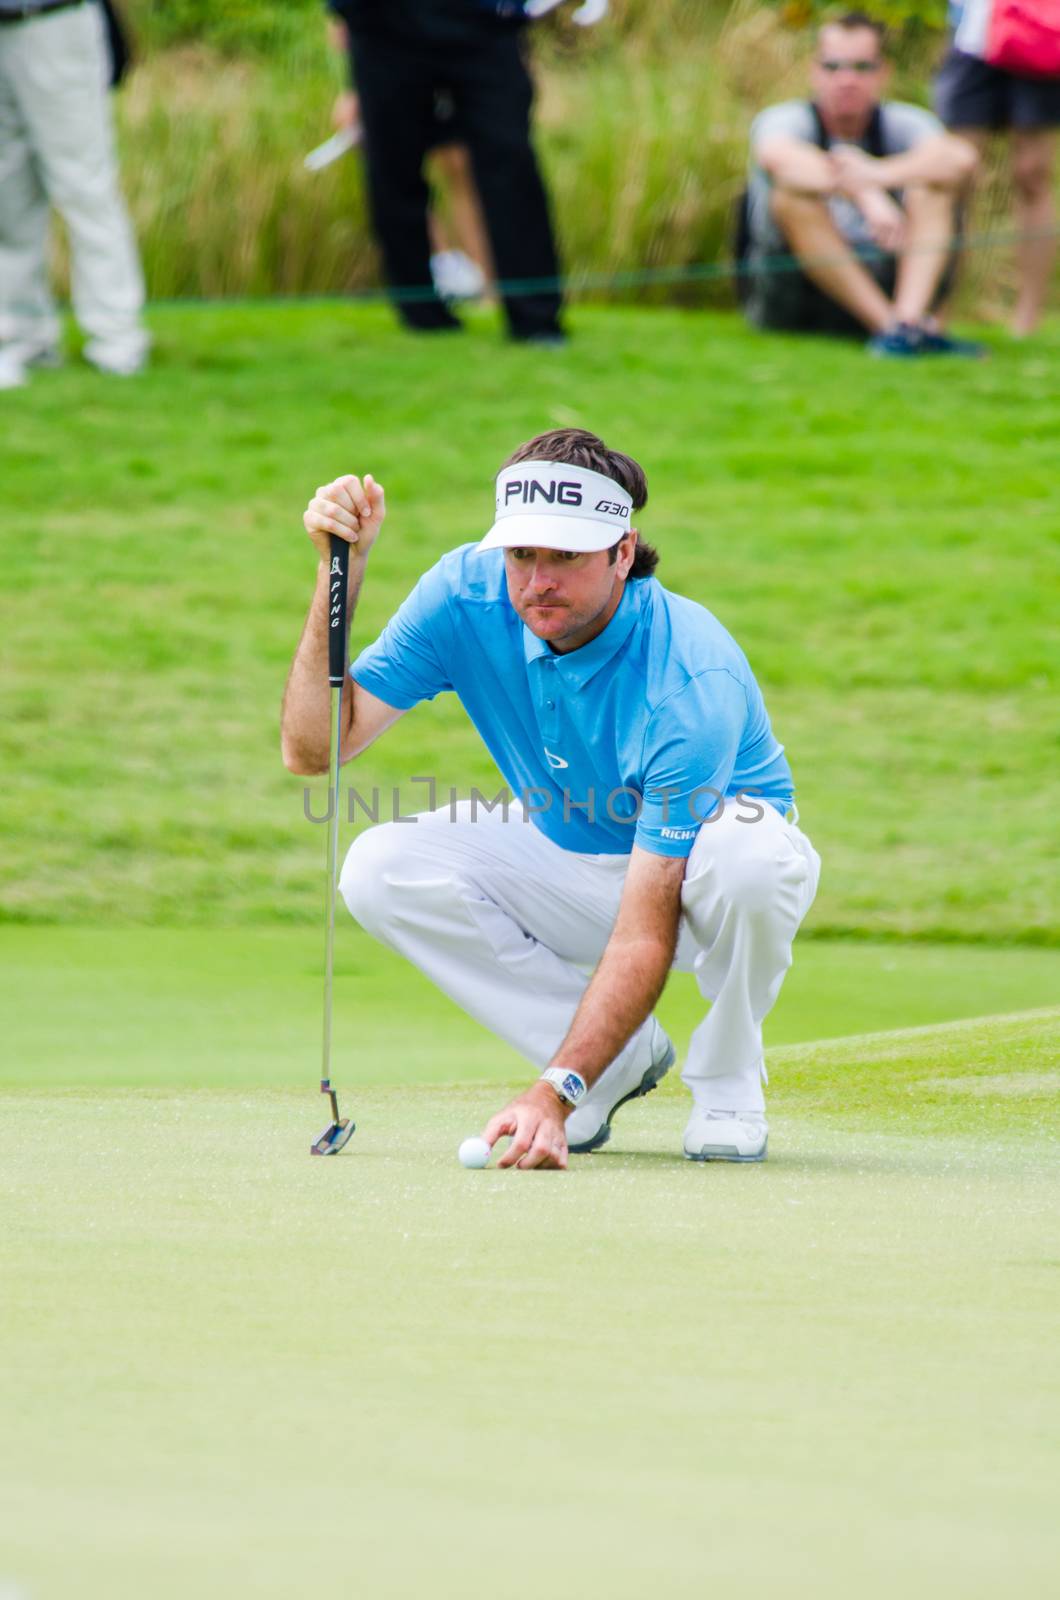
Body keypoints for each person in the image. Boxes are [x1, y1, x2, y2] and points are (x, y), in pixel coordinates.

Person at [281, 429, 821, 1171]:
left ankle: (727, 1084)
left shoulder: (689, 678)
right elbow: (314, 750)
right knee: (378, 867)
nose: (538, 581)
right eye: (522, 554)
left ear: (622, 553)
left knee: (749, 856)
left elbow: (644, 932)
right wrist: (340, 573)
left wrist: (553, 1093)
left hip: (702, 884)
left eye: (565, 557)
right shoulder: (463, 594)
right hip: (574, 853)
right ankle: (619, 1060)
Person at [324, 0, 564, 343]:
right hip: (386, 28)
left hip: (482, 22)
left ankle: (536, 318)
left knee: (510, 163)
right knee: (393, 167)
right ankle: (421, 312)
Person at [744, 10, 980, 354]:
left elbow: (961, 158)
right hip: (796, 299)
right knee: (791, 195)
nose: (847, 80)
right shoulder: (786, 120)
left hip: (887, 277)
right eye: (833, 67)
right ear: (814, 71)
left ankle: (907, 323)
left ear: (883, 73)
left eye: (862, 67)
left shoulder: (904, 122)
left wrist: (878, 174)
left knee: (934, 186)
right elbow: (778, 159)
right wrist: (865, 193)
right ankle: (891, 328)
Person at [0, 0, 149, 389]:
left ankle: (117, 339)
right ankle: (22, 334)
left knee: (84, 187)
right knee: (8, 197)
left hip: (54, 19)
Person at [935, 1, 1060, 336]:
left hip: (1038, 25)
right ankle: (938, 310)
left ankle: (1027, 317)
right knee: (955, 171)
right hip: (971, 33)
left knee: (1032, 174)